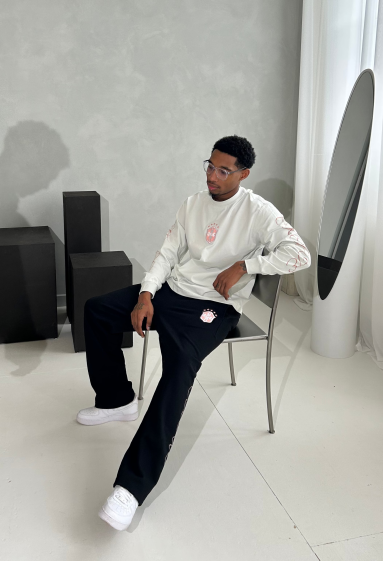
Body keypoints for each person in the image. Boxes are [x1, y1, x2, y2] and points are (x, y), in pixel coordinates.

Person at [77, 135, 311, 531]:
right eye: (210, 166)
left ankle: (130, 488)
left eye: (223, 170)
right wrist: (146, 294)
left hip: (215, 305)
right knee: (97, 310)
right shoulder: (192, 204)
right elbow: (167, 253)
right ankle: (117, 400)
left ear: (243, 174)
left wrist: (246, 266)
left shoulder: (258, 211)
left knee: (180, 366)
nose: (212, 176)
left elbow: (299, 254)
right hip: (172, 291)